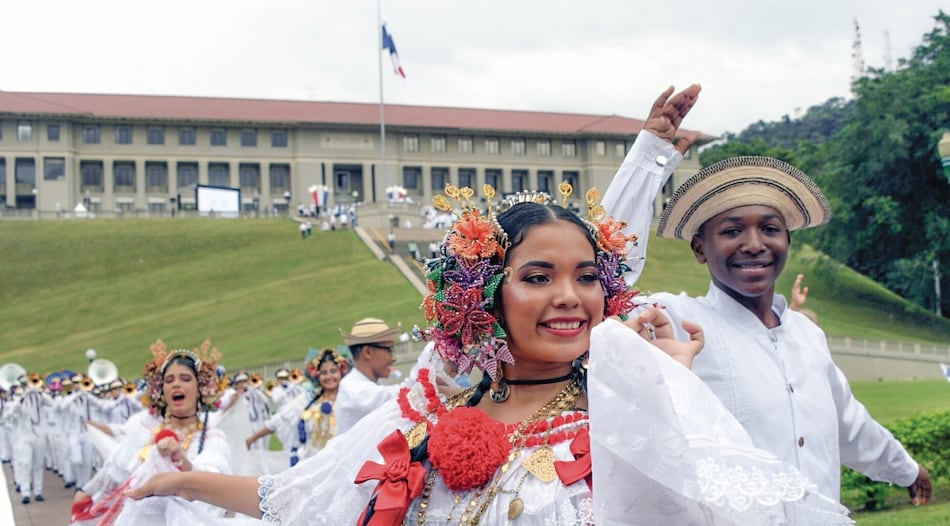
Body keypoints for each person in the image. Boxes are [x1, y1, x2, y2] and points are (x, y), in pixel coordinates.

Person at [126, 96, 855, 522]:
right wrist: (182, 482)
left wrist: (674, 385)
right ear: (484, 295)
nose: (569, 296)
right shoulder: (426, 412)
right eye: (537, 276)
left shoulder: (625, 408)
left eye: (585, 277)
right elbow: (305, 496)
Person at [602, 86, 931, 506]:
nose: (755, 244)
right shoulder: (679, 323)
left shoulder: (807, 337)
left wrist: (908, 470)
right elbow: (603, 277)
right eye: (732, 230)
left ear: (788, 241)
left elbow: (849, 426)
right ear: (700, 248)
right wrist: (649, 157)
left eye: (770, 229)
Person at [71, 339, 232, 525]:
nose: (176, 385)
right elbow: (114, 468)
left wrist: (180, 458)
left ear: (201, 388)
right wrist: (87, 492)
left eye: (185, 379)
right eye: (169, 380)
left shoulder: (211, 436)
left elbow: (211, 480)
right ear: (161, 390)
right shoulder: (144, 426)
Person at [334, 317, 402, 433]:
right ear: (368, 352)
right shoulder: (352, 388)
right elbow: (397, 397)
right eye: (389, 350)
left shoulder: (366, 384)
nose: (393, 358)